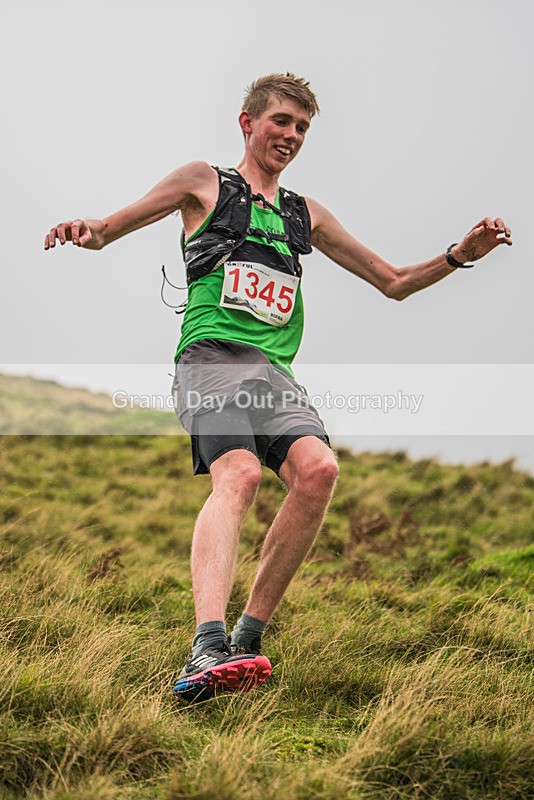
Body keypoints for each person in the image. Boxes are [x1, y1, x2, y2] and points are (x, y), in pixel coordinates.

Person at [44, 73, 512, 701]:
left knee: (319, 472)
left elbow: (394, 282)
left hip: (273, 373)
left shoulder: (304, 214)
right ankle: (206, 645)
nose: (291, 135)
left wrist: (460, 255)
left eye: (302, 127)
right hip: (211, 357)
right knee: (238, 476)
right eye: (281, 121)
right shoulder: (202, 182)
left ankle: (246, 639)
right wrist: (84, 228)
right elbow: (107, 229)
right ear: (248, 123)